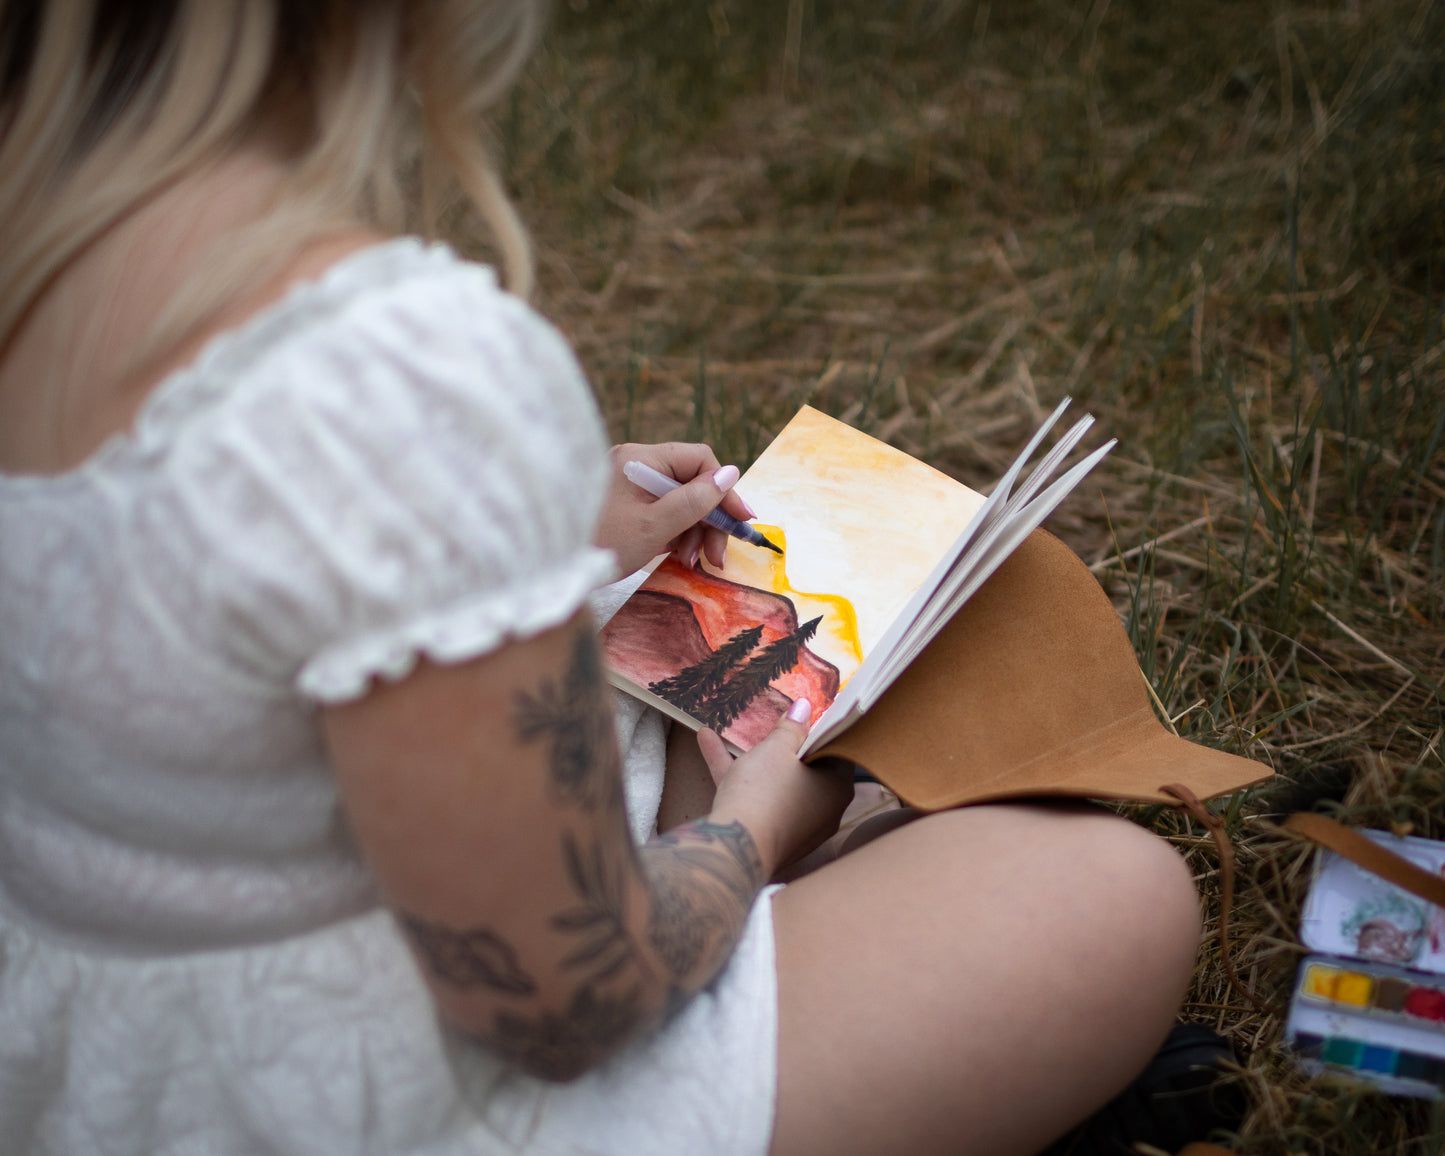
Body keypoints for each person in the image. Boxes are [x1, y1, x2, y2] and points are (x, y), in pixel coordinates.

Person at [0, 3, 1206, 1154]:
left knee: (696, 708)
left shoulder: (43, 247)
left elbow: (176, 634)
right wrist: (757, 826)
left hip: (90, 1038)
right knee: (1110, 899)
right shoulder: (390, 365)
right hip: (350, 1092)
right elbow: (559, 1003)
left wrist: (515, 552)